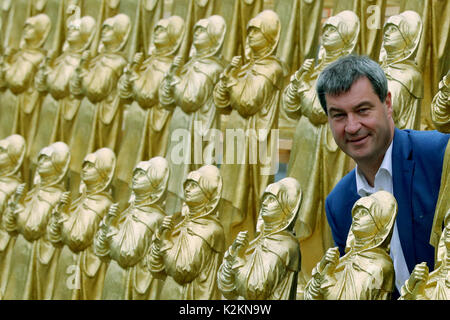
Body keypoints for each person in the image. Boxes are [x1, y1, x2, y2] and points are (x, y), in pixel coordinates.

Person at [317, 54, 449, 296]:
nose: (352, 126)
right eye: (339, 115)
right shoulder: (339, 204)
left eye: (362, 110)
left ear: (387, 104)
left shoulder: (439, 156)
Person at [217, 177, 301, 300]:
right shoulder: (259, 241)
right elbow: (228, 289)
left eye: (272, 199)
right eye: (265, 198)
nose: (265, 203)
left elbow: (255, 290)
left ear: (285, 208)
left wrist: (238, 259)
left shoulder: (284, 246)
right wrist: (233, 253)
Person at [305, 191, 397, 300]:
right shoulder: (347, 259)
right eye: (356, 213)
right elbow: (310, 296)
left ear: (379, 223)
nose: (356, 217)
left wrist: (327, 276)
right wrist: (323, 267)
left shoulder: (380, 267)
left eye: (363, 213)